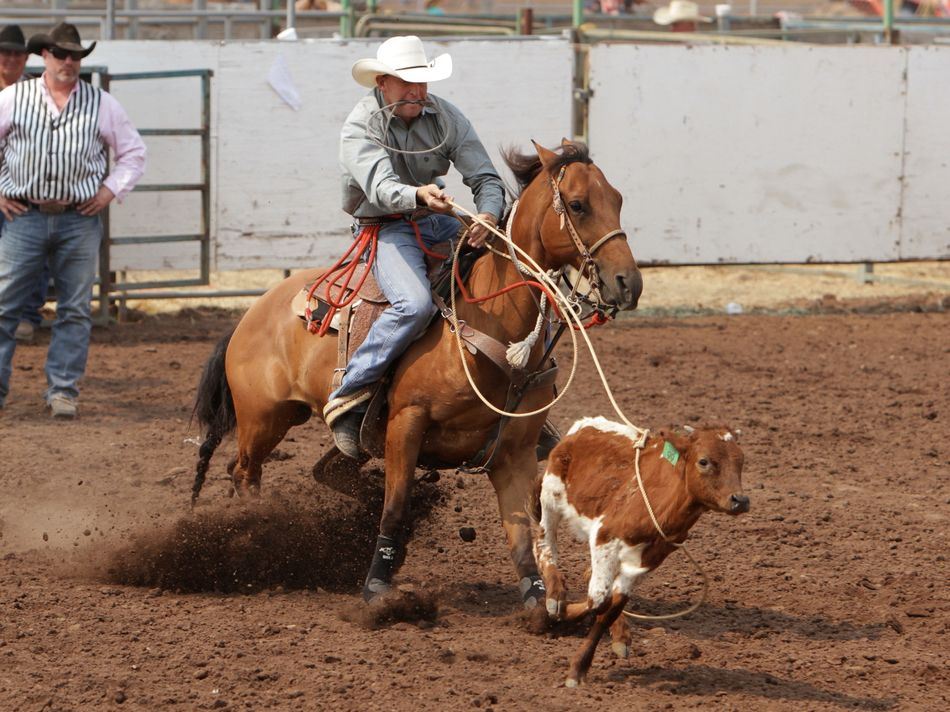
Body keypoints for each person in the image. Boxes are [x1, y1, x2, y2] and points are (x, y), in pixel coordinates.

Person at [325, 35, 505, 457]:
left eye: (422, 82)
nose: (418, 92)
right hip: (387, 225)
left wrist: (489, 217)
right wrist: (420, 196)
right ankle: (350, 394)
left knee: (510, 275)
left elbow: (486, 178)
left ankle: (520, 403)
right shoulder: (361, 126)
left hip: (438, 219)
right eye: (407, 82)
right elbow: (383, 188)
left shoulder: (445, 116)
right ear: (382, 82)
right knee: (414, 304)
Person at [0, 22, 147, 418]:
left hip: (78, 218)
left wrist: (109, 190)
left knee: (76, 308)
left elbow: (133, 154)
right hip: (24, 213)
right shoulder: (14, 98)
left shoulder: (102, 104)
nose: (69, 61)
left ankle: (63, 390)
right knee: (4, 305)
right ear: (44, 55)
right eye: (61, 54)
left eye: (75, 56)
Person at [0, 24, 46, 345]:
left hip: (23, 188)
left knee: (36, 251)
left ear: (26, 57)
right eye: (5, 53)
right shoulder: (33, 91)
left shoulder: (36, 93)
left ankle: (28, 315)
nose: (10, 59)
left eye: (17, 53)